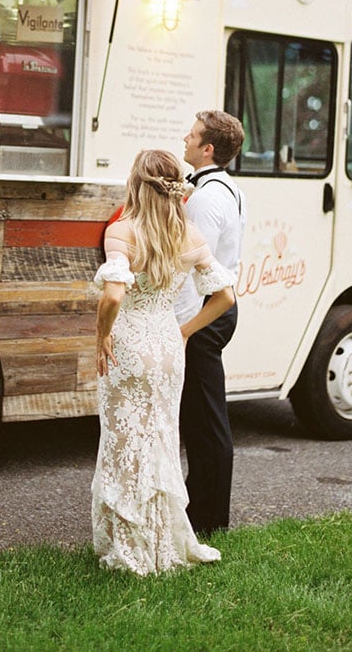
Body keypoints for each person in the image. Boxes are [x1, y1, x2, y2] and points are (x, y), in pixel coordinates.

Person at [91, 149, 235, 576]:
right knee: (161, 440)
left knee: (123, 444)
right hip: (169, 345)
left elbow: (114, 295)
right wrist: (186, 330)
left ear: (136, 184)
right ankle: (161, 542)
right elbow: (225, 297)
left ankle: (129, 546)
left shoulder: (122, 231)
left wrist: (102, 335)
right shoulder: (189, 235)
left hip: (130, 344)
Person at [176, 110, 246, 538]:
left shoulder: (204, 198)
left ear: (207, 149)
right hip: (215, 308)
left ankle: (209, 517)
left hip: (205, 311)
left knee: (205, 420)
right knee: (200, 418)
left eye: (192, 134)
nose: (184, 137)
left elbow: (190, 268)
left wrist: (181, 328)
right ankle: (201, 505)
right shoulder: (228, 189)